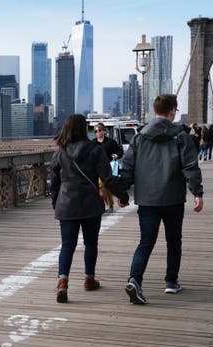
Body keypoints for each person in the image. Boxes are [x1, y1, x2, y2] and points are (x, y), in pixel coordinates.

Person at [119, 94, 204, 305]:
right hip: (173, 198)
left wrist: (122, 194)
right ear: (173, 111)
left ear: (155, 110)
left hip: (147, 199)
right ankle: (171, 282)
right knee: (174, 240)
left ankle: (134, 280)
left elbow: (127, 167)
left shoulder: (139, 137)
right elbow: (190, 166)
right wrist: (198, 193)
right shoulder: (180, 136)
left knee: (145, 242)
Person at [49, 114, 130, 303]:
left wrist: (56, 203)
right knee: (90, 243)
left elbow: (54, 182)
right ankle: (89, 279)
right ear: (85, 129)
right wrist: (123, 195)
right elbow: (108, 178)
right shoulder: (95, 149)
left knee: (67, 245)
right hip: (90, 205)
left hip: (67, 205)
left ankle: (62, 282)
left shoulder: (60, 151)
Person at [92, 122, 123, 212]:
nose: (97, 132)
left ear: (104, 131)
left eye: (99, 130)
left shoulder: (110, 142)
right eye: (95, 131)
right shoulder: (93, 143)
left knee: (102, 186)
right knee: (100, 188)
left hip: (108, 168)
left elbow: (119, 151)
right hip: (96, 169)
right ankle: (107, 206)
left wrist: (117, 155)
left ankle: (109, 205)